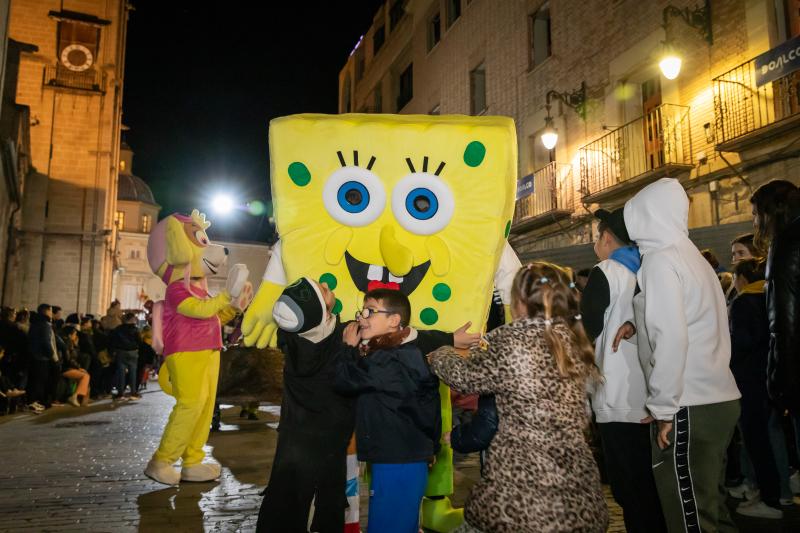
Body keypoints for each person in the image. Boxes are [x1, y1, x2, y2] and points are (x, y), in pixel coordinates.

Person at [256, 278, 476, 533]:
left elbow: (403, 335)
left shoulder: (321, 331)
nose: (329, 288)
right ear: (318, 309)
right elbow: (346, 378)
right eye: (323, 290)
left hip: (331, 438)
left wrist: (449, 337)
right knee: (290, 500)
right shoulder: (324, 345)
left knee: (327, 501)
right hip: (306, 440)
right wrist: (350, 349)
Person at [428, 262, 608, 532]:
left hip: (521, 490)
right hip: (577, 489)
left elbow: (464, 376)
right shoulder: (572, 339)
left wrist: (439, 352)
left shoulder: (511, 340)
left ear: (521, 300)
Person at [620, 178, 741, 533]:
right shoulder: (692, 257)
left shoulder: (659, 260)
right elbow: (694, 324)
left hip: (690, 405)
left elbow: (671, 338)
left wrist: (662, 407)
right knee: (713, 511)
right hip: (717, 399)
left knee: (690, 521)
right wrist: (636, 326)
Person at [580, 208, 666, 533]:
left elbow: (585, 332)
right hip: (652, 394)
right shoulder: (648, 269)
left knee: (629, 490)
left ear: (605, 238)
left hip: (617, 396)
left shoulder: (606, 271)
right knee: (650, 487)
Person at [335, 288, 442, 533]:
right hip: (405, 459)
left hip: (397, 461)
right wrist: (430, 446)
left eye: (370, 311)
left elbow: (344, 381)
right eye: (362, 310)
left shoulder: (387, 359)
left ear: (394, 321)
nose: (362, 318)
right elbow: (429, 409)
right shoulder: (406, 353)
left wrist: (348, 348)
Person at [728, 258, 784, 518]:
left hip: (747, 381)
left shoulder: (742, 303)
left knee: (756, 441)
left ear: (741, 279)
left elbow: (741, 343)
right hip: (769, 378)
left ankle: (769, 499)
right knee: (769, 440)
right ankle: (774, 495)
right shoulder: (770, 295)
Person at [750, 180, 800, 411]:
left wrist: (780, 383)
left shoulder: (786, 244)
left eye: (756, 214)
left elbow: (783, 321)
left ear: (770, 213)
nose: (754, 222)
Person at [28, 304, 59, 409]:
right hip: (42, 356)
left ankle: (34, 401)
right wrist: (51, 355)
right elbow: (47, 342)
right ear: (46, 311)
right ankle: (37, 401)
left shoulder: (35, 323)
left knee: (35, 380)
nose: (51, 313)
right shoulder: (45, 324)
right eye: (50, 311)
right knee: (40, 380)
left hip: (33, 354)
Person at [109, 312, 141, 401]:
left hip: (121, 352)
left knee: (121, 373)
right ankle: (133, 392)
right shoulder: (135, 329)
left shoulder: (118, 329)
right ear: (131, 319)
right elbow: (139, 341)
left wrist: (114, 351)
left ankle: (120, 394)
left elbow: (113, 340)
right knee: (133, 372)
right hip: (133, 352)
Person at [59, 325, 91, 407]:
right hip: (66, 368)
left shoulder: (70, 343)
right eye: (75, 334)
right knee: (85, 376)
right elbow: (69, 359)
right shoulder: (67, 343)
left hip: (69, 367)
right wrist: (79, 368)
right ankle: (75, 396)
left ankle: (80, 399)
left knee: (85, 376)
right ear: (70, 335)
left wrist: (76, 345)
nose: (76, 336)